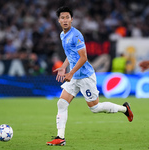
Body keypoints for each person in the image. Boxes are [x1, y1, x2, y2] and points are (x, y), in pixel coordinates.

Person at [46, 6, 133, 146]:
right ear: (59, 20)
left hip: (85, 76)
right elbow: (71, 54)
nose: (65, 20)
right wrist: (63, 66)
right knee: (61, 103)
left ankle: (124, 109)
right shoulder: (62, 35)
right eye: (62, 18)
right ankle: (60, 137)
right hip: (74, 76)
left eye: (67, 17)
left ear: (72, 19)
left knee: (95, 108)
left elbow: (83, 58)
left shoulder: (76, 35)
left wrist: (71, 72)